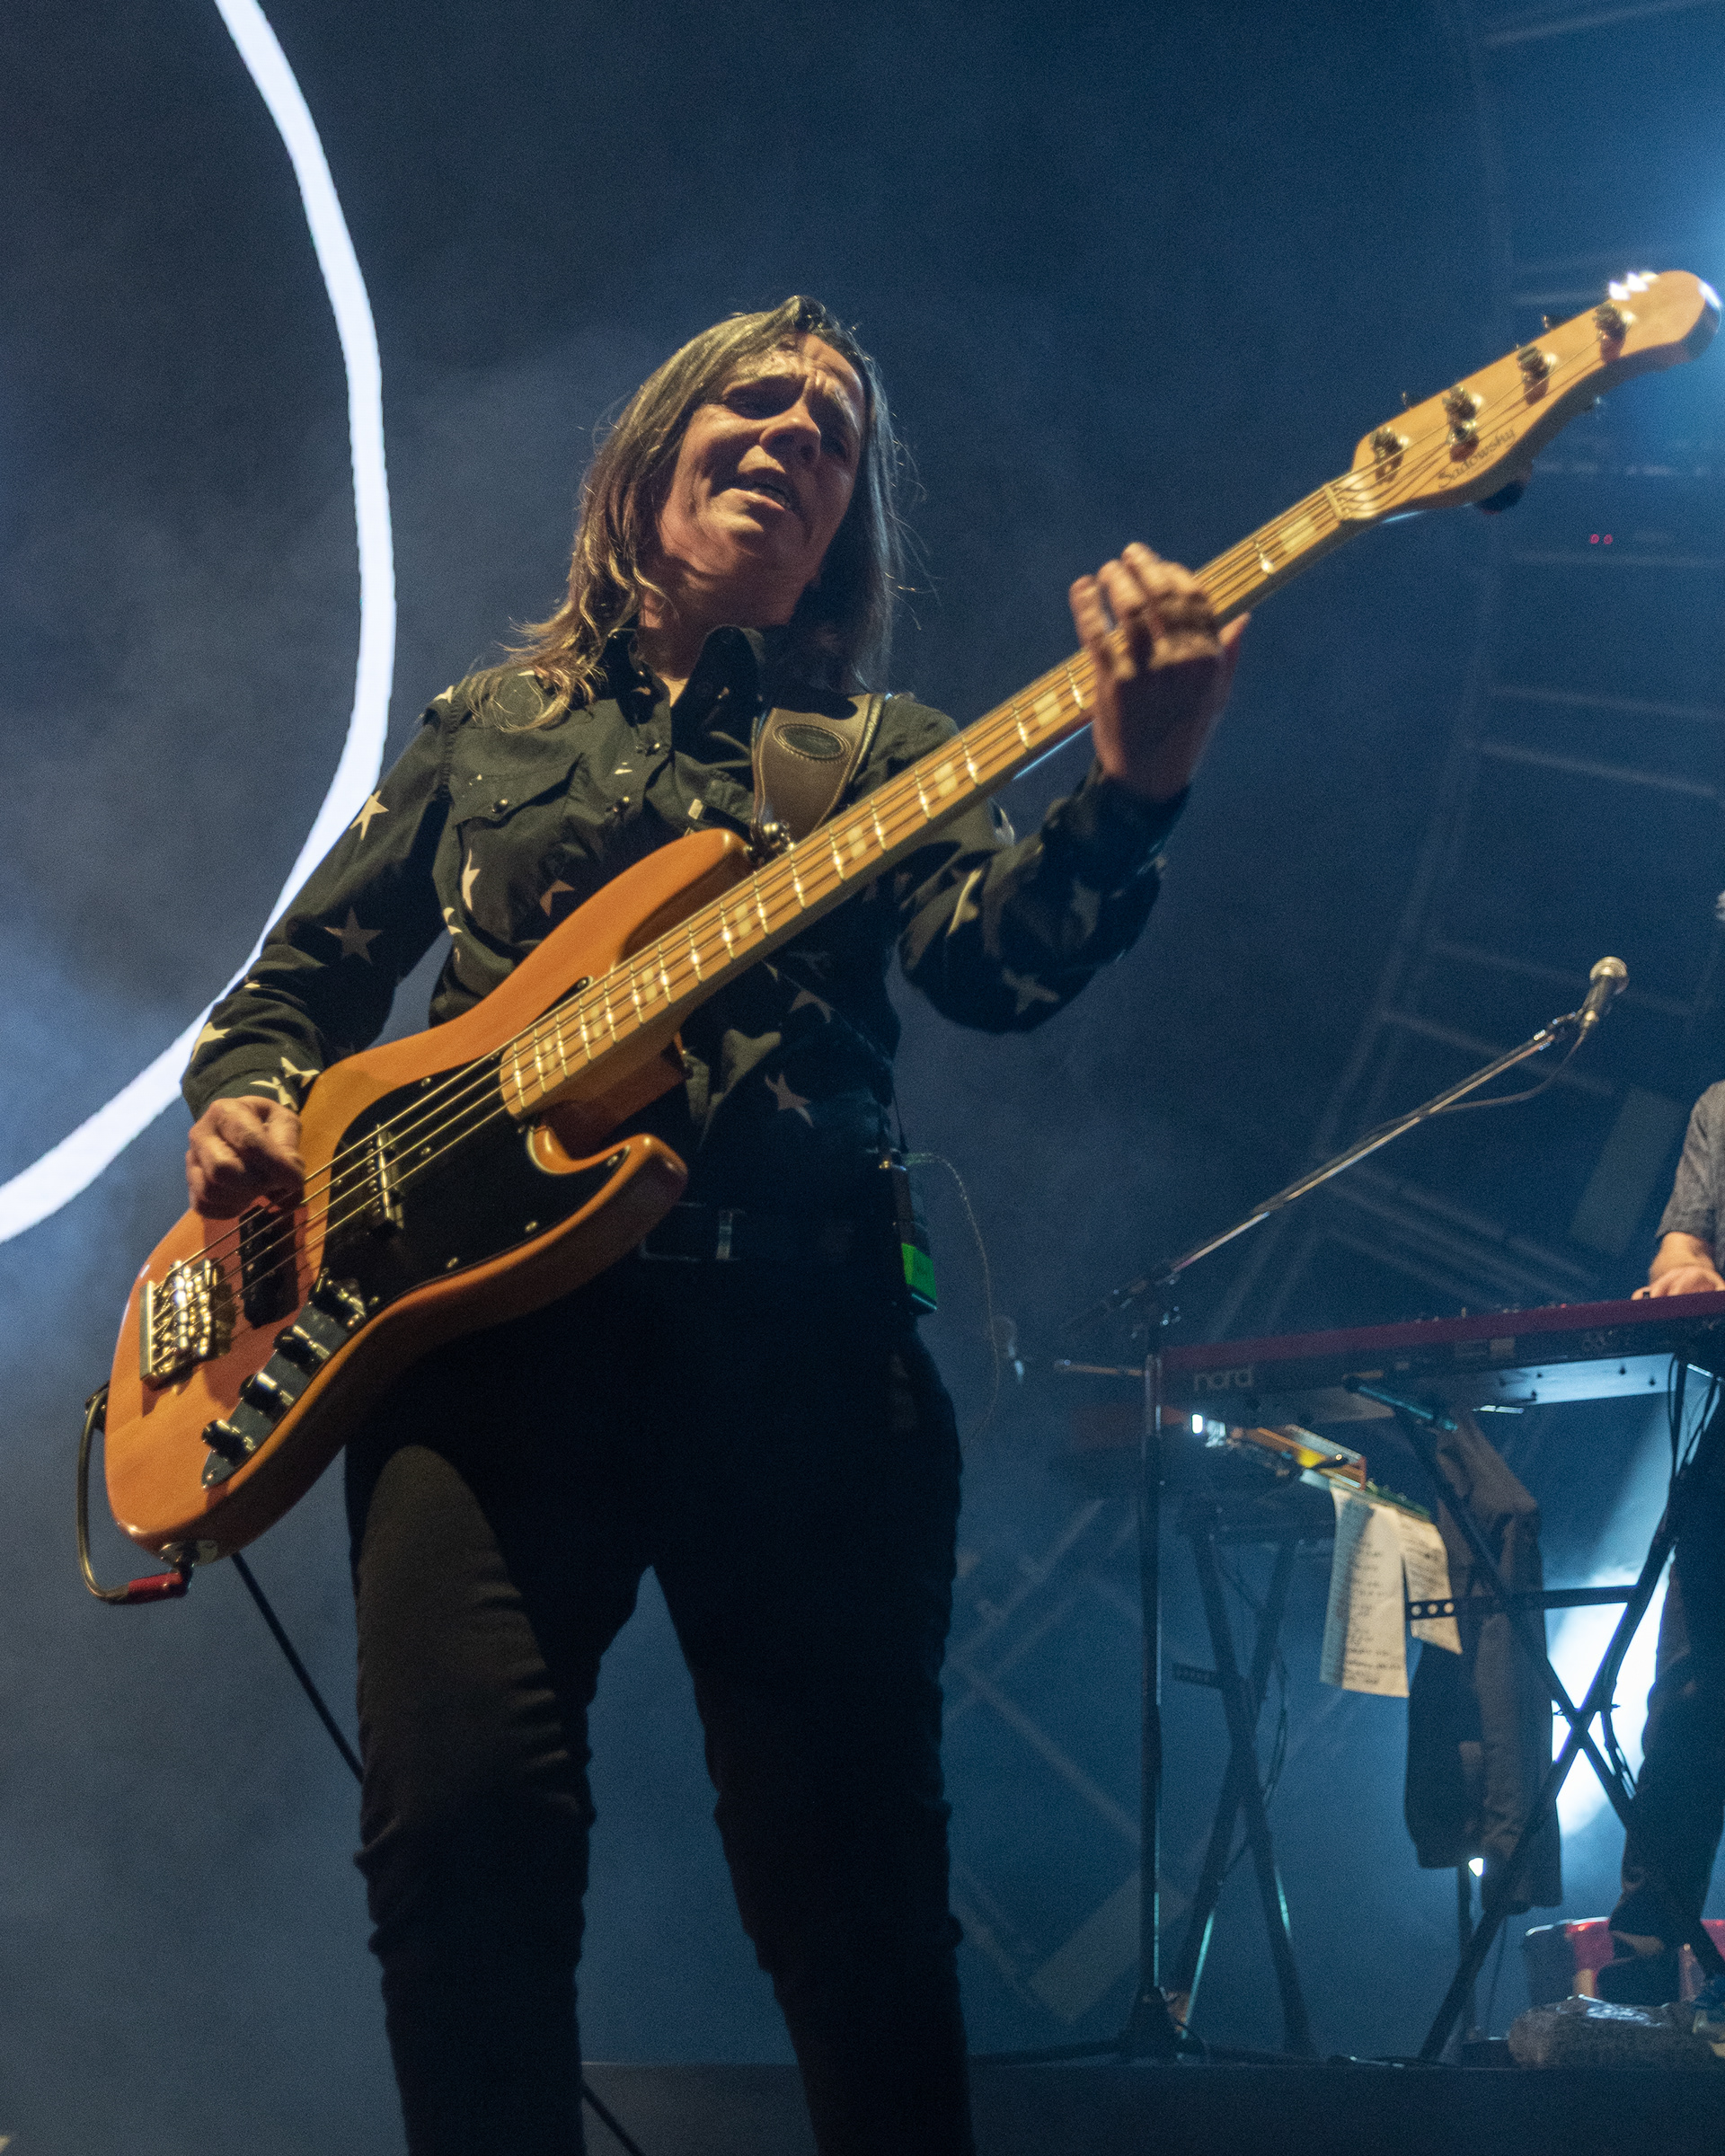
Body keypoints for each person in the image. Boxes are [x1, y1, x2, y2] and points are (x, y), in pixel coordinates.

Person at [180, 296, 1246, 2153]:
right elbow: (297, 988)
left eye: (830, 440)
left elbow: (995, 970)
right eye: (752, 408)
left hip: (803, 1364)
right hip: (484, 1355)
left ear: (846, 528)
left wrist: (1133, 791)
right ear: (649, 464)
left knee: (849, 1899)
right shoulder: (485, 728)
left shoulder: (882, 748)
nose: (790, 444)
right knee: (460, 1842)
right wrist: (245, 1104)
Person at [1596, 1084, 1725, 2004]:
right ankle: (1643, 1965)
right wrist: (1684, 1270)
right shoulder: (1721, 1107)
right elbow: (1684, 1242)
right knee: (1686, 1695)